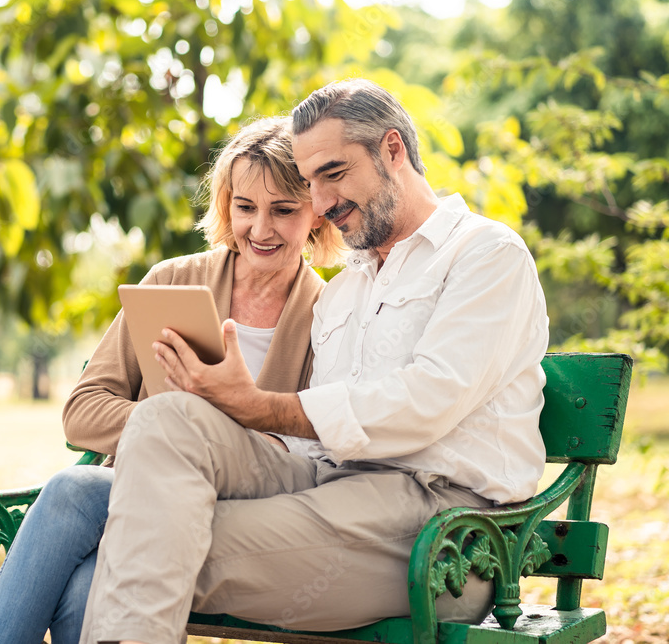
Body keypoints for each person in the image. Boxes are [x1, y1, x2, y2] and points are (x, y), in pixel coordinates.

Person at [77, 78, 551, 644]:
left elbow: (428, 401)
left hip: (438, 525)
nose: (321, 204)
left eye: (333, 173)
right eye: (310, 183)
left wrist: (259, 407)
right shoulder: (346, 290)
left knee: (145, 548)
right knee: (165, 418)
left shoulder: (485, 254)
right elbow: (311, 443)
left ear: (392, 150)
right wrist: (225, 408)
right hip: (328, 484)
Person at [0, 116, 341, 644]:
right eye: (245, 208)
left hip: (248, 512)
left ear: (317, 217)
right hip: (137, 497)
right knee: (81, 589)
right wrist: (172, 429)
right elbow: (83, 410)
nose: (261, 229)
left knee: (73, 488)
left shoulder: (329, 313)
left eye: (283, 210)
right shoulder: (172, 282)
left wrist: (199, 431)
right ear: (225, 207)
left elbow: (318, 443)